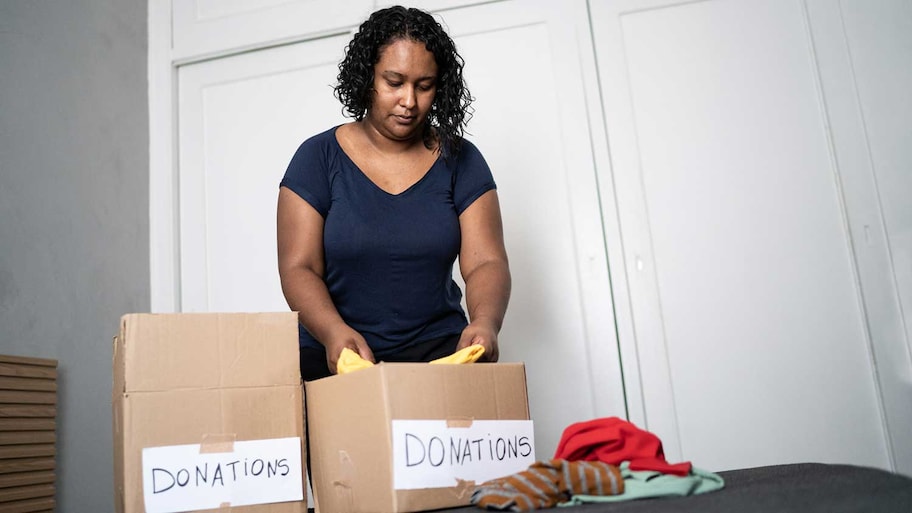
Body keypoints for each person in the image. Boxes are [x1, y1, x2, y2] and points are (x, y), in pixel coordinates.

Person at [277, 5, 511, 381]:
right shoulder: (316, 158)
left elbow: (486, 262)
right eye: (394, 82)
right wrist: (334, 333)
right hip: (336, 353)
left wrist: (485, 322)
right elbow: (298, 267)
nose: (409, 101)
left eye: (424, 86)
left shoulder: (461, 160)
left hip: (440, 353)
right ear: (367, 76)